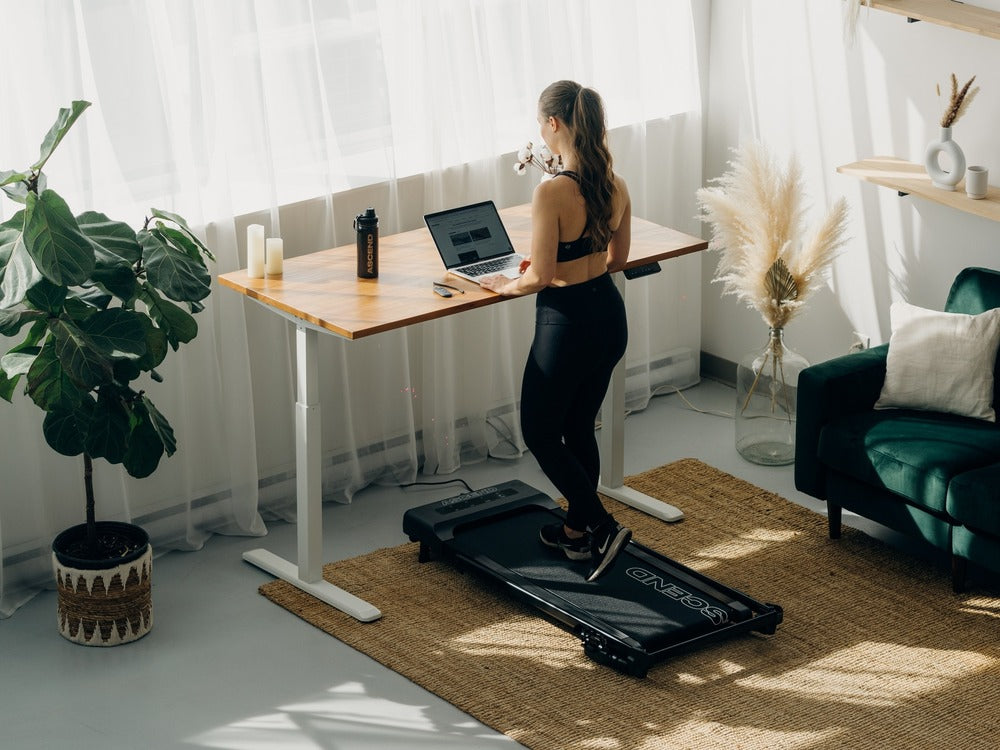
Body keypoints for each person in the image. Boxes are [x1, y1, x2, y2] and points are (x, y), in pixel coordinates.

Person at [480, 80, 632, 582]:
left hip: (565, 324)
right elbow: (617, 260)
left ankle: (603, 526)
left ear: (554, 124)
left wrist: (505, 284)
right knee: (578, 426)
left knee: (540, 432)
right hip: (608, 319)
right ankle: (575, 532)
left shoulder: (551, 191)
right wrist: (565, 258)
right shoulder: (615, 182)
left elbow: (540, 277)